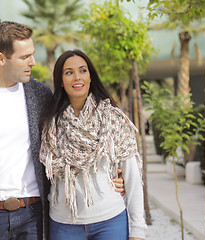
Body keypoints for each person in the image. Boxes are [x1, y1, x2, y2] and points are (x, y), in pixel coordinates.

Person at [0, 21, 126, 240]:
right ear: (1, 58)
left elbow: (71, 142)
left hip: (34, 216)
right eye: (24, 57)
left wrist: (114, 174)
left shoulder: (39, 94)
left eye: (32, 54)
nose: (32, 62)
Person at [39, 49, 146, 240]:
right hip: (64, 224)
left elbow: (132, 176)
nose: (77, 77)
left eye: (83, 70)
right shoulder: (50, 124)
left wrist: (138, 229)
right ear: (61, 81)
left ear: (90, 77)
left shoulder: (113, 118)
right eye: (69, 72)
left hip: (110, 220)